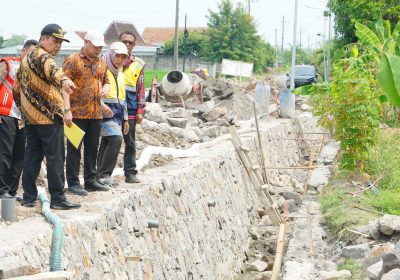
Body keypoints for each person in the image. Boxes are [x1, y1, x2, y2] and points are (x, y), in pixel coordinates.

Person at [17, 24, 80, 209]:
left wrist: (24, 110)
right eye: (55, 41)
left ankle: (29, 197)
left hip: (31, 118)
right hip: (48, 117)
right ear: (43, 39)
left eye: (60, 41)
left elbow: (17, 87)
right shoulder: (44, 56)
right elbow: (54, 71)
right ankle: (58, 198)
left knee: (32, 157)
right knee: (55, 158)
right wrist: (65, 80)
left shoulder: (26, 57)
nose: (58, 45)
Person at [63, 30, 111, 195]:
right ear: (86, 43)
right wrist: (66, 110)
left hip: (95, 114)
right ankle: (73, 183)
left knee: (92, 148)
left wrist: (106, 88)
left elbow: (107, 81)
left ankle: (90, 180)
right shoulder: (72, 61)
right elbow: (64, 86)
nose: (98, 49)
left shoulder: (101, 62)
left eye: (100, 47)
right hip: (76, 114)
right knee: (74, 150)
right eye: (95, 46)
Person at [0, 39, 38, 199]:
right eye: (30, 54)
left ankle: (12, 191)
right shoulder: (9, 63)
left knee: (19, 155)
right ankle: (2, 190)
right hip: (5, 113)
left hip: (22, 118)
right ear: (23, 51)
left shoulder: (34, 71)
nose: (32, 58)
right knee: (5, 154)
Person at [97, 42, 129, 186]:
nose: (120, 60)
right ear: (110, 54)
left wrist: (125, 119)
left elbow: (124, 98)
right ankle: (104, 174)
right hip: (104, 112)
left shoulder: (121, 74)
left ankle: (99, 175)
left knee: (107, 142)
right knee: (115, 139)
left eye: (123, 57)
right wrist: (101, 105)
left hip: (118, 113)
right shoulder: (101, 70)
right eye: (118, 56)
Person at [119, 31, 145, 184]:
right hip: (113, 107)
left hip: (131, 107)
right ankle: (103, 174)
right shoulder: (108, 60)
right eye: (124, 42)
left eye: (130, 42)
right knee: (110, 141)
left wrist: (140, 110)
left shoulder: (138, 64)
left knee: (130, 142)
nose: (127, 45)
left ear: (134, 45)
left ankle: (130, 172)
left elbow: (140, 88)